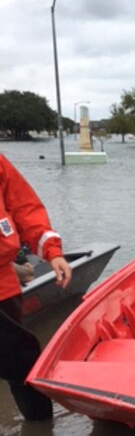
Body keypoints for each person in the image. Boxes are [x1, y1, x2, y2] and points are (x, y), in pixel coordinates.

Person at [0, 154, 72, 421]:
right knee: (21, 356)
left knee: (21, 360)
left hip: (4, 285)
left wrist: (52, 252)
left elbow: (24, 208)